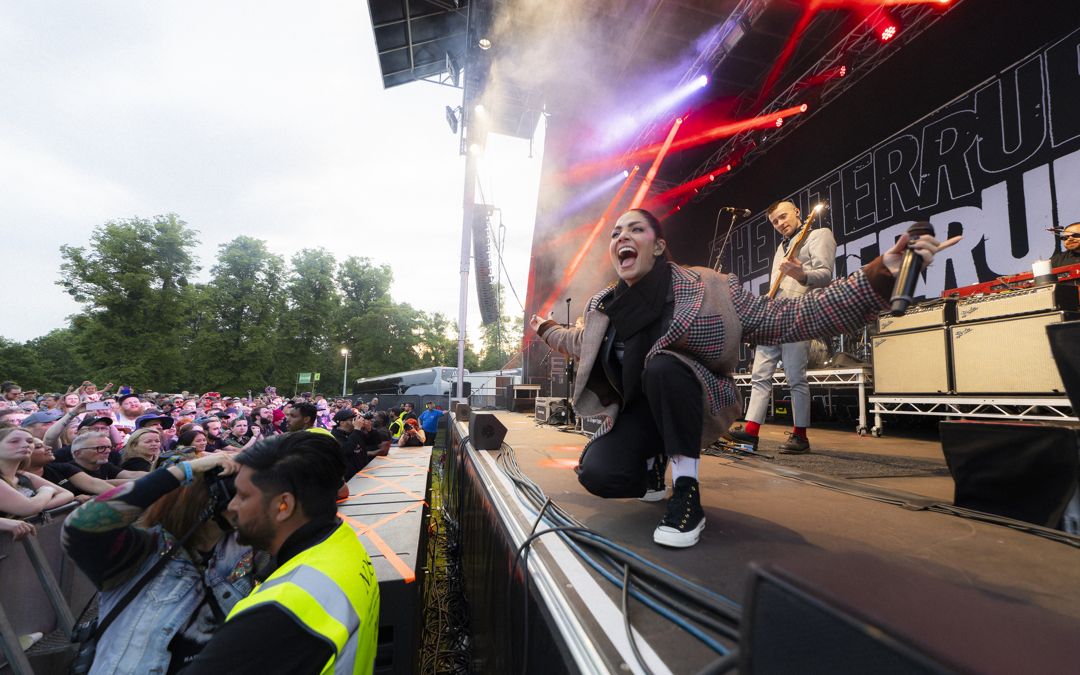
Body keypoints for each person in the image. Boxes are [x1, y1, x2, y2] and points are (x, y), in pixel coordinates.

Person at [530, 208, 959, 548]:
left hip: (690, 396)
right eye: (615, 232)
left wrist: (882, 269)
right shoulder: (606, 303)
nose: (621, 237)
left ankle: (686, 492)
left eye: (635, 230)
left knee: (663, 366)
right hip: (642, 411)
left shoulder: (709, 286)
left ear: (658, 246)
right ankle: (653, 462)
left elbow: (794, 315)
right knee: (599, 475)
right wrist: (545, 329)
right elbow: (581, 341)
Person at [181, 431, 380, 674]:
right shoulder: (342, 541)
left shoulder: (273, 612)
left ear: (283, 506)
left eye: (243, 496)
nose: (231, 506)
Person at [63, 451, 264, 674]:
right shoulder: (140, 551)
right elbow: (81, 526)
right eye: (244, 495)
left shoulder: (243, 548)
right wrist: (185, 471)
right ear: (213, 498)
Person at [731, 200, 836, 455]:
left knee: (795, 378)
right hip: (774, 317)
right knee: (759, 375)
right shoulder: (781, 247)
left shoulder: (819, 234)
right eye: (775, 221)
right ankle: (751, 432)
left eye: (783, 217)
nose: (780, 224)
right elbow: (778, 285)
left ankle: (800, 436)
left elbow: (825, 274)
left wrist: (802, 274)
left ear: (797, 212)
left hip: (798, 316)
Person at [0, 428, 75, 517]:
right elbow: (28, 507)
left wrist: (38, 505)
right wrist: (47, 490)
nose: (26, 445)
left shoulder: (23, 475)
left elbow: (67, 494)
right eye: (14, 441)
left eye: (29, 441)